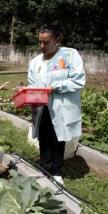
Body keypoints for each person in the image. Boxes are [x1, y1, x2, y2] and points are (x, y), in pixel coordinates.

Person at [27, 22, 86, 185]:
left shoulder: (69, 55)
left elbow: (78, 80)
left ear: (57, 40)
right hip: (42, 106)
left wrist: (56, 86)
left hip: (62, 106)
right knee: (44, 137)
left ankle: (57, 171)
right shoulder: (36, 62)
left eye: (46, 42)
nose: (42, 46)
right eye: (40, 42)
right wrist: (26, 91)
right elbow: (32, 83)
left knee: (59, 137)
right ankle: (44, 168)